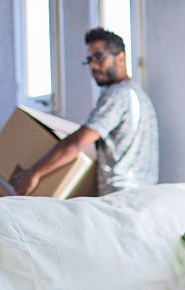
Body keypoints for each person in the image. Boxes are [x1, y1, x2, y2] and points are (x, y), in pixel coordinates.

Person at [12, 27, 158, 196]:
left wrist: (33, 174)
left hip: (121, 196)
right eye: (89, 60)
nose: (93, 66)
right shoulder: (138, 95)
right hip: (144, 196)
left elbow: (78, 143)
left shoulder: (118, 95)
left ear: (121, 58)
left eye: (99, 57)